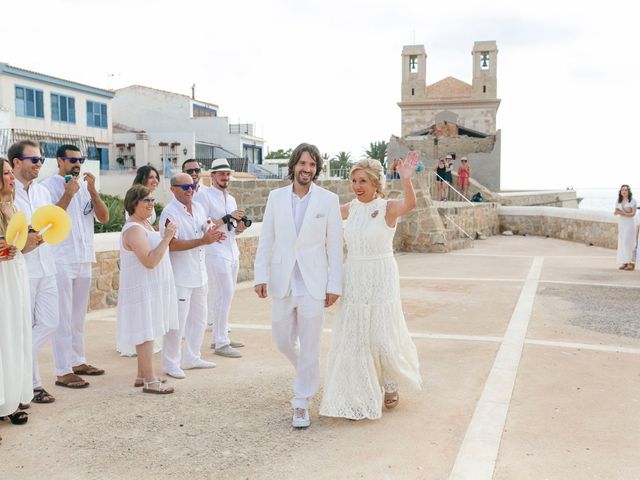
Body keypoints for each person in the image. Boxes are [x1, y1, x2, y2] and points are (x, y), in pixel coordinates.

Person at [320, 154, 422, 421]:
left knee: (380, 333)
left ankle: (390, 382)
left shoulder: (387, 207)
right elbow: (320, 214)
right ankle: (358, 391)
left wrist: (407, 180)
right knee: (356, 336)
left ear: (376, 183)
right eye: (354, 180)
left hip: (381, 275)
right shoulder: (350, 208)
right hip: (354, 274)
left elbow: (410, 203)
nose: (357, 186)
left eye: (363, 181)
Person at [254, 143, 343, 428]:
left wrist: (334, 284)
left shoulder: (328, 200)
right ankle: (308, 372)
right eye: (303, 164)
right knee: (281, 340)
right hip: (283, 280)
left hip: (314, 283)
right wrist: (260, 275)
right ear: (293, 165)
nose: (307, 169)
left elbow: (334, 246)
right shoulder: (275, 197)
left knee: (310, 344)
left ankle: (301, 402)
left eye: (312, 165)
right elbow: (266, 238)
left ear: (317, 169)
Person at [42, 145, 109, 388]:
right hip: (60, 259)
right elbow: (47, 220)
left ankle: (78, 360)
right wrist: (68, 193)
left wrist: (92, 192)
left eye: (80, 159)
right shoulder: (47, 187)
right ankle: (62, 370)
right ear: (59, 160)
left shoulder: (84, 188)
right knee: (62, 316)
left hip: (83, 258)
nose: (77, 163)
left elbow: (104, 218)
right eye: (72, 160)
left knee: (79, 316)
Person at [159, 173, 225, 379]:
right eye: (185, 187)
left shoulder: (198, 207)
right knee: (177, 323)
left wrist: (213, 232)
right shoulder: (169, 213)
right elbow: (172, 244)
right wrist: (203, 241)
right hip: (180, 276)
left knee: (200, 318)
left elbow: (206, 226)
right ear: (173, 189)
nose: (190, 190)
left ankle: (192, 357)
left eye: (193, 186)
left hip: (199, 273)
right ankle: (171, 363)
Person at [116, 185, 178, 393]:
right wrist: (168, 238)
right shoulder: (133, 229)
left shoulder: (145, 225)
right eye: (147, 201)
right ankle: (150, 381)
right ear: (134, 204)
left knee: (148, 329)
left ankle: (141, 375)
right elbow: (149, 261)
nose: (152, 204)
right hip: (141, 288)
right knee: (145, 332)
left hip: (151, 287)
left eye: (152, 200)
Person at [9, 140, 58, 404]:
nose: (40, 164)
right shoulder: (6, 193)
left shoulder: (42, 193)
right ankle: (34, 385)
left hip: (47, 264)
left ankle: (20, 369)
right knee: (24, 326)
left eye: (41, 160)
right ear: (17, 162)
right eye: (34, 160)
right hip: (21, 268)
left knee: (51, 322)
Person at [195, 159, 247, 358]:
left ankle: (220, 335)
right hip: (215, 251)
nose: (225, 177)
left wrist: (239, 226)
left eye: (227, 174)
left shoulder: (231, 199)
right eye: (221, 174)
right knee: (223, 294)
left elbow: (232, 228)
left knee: (228, 294)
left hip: (232, 250)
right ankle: (221, 343)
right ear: (212, 176)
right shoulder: (203, 196)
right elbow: (203, 226)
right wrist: (228, 218)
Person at [0, 158, 34, 426]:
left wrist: (28, 242)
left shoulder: (13, 206)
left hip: (15, 273)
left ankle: (11, 398)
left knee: (16, 332)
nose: (12, 178)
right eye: (7, 174)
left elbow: (19, 243)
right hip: (1, 276)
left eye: (12, 173)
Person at [117, 165, 162, 356]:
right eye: (151, 177)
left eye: (156, 177)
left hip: (147, 253)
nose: (155, 181)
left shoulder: (148, 203)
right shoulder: (135, 203)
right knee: (138, 307)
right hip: (139, 257)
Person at [614, 184, 637, 271]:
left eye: (625, 190)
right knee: (622, 243)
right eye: (622, 190)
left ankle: (631, 263)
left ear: (628, 191)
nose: (624, 191)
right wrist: (618, 212)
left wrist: (623, 213)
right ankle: (625, 262)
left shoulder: (632, 201)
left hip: (629, 224)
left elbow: (633, 213)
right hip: (622, 224)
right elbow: (615, 212)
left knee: (628, 242)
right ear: (620, 191)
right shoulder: (618, 201)